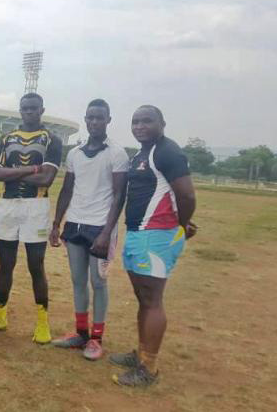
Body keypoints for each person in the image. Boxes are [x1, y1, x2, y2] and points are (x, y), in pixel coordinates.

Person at [110, 105, 197, 387]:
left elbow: (187, 196)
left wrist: (181, 225)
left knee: (152, 299)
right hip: (139, 233)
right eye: (135, 121)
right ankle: (141, 353)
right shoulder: (143, 153)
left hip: (157, 235)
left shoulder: (167, 152)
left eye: (147, 121)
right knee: (143, 298)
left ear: (162, 123)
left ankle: (148, 368)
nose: (140, 126)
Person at [0, 92, 63, 344]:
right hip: (8, 205)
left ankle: (42, 321)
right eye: (25, 108)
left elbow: (46, 179)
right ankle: (0, 316)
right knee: (6, 264)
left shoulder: (52, 139)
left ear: (41, 110)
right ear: (20, 110)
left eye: (33, 108)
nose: (29, 112)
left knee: (36, 265)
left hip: (36, 206)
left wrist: (12, 172)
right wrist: (31, 169)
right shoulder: (7, 139)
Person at [50, 99, 129, 360]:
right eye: (90, 117)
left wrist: (107, 232)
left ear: (108, 120)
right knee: (77, 280)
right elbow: (67, 189)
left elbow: (119, 195)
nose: (94, 122)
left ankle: (96, 338)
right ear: (85, 119)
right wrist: (56, 223)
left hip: (100, 227)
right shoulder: (75, 153)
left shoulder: (116, 153)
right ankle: (81, 333)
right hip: (75, 223)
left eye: (99, 117)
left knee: (98, 281)